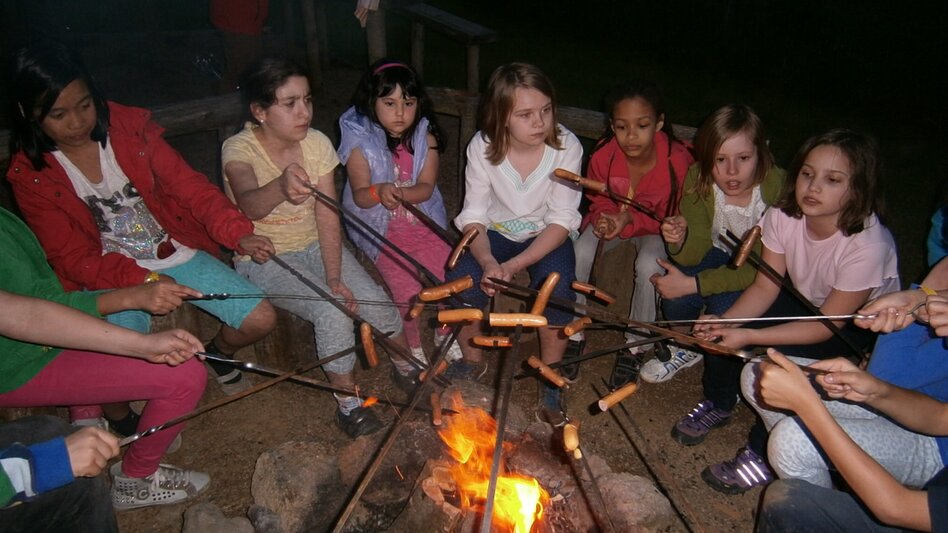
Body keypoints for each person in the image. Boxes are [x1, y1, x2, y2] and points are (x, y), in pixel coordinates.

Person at [6, 41, 277, 403]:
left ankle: (218, 353)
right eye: (58, 114)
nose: (76, 122)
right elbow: (72, 258)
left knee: (260, 318)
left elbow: (188, 187)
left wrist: (236, 231)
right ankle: (127, 418)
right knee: (127, 361)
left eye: (84, 105)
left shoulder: (129, 129)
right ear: (29, 113)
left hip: (173, 253)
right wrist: (143, 281)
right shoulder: (32, 175)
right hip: (111, 278)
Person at [694, 128, 900, 494]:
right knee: (723, 323)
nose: (813, 187)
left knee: (783, 368)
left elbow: (826, 326)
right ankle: (718, 401)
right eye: (807, 174)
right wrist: (727, 324)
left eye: (832, 180)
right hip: (806, 299)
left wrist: (751, 336)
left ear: (859, 188)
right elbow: (765, 286)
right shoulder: (783, 216)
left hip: (856, 326)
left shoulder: (868, 244)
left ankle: (760, 453)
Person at [221, 56, 407, 438]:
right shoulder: (238, 150)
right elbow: (249, 204)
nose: (304, 111)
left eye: (307, 99)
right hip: (262, 256)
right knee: (332, 311)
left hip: (314, 245)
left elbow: (327, 216)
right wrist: (280, 186)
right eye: (289, 103)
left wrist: (336, 275)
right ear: (259, 111)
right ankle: (348, 406)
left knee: (375, 303)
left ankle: (408, 368)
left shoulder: (317, 143)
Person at [0, 208, 210, 513]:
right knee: (184, 375)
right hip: (16, 365)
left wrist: (141, 343)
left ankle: (88, 417)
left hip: (34, 341)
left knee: (174, 365)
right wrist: (131, 299)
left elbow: (27, 311)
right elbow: (36, 309)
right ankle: (136, 480)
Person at [444, 63, 583, 421]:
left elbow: (561, 220)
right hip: (494, 232)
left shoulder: (566, 148)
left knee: (559, 287)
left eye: (546, 110)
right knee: (463, 279)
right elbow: (473, 215)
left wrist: (513, 266)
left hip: (545, 235)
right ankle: (473, 364)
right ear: (502, 116)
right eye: (525, 114)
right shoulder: (483, 147)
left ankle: (550, 376)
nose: (540, 122)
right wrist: (490, 261)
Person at [752, 256, 948, 503]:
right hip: (907, 402)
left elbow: (899, 383)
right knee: (760, 373)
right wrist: (920, 299)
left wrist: (806, 403)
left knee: (792, 441)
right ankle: (820, 473)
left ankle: (827, 511)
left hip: (937, 448)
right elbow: (888, 381)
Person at [650, 105, 784, 442]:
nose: (732, 171)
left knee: (722, 319)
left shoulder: (778, 191)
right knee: (676, 300)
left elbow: (760, 271)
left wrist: (693, 283)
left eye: (744, 158)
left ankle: (720, 400)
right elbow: (694, 253)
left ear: (762, 153)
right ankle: (691, 347)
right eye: (720, 160)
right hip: (716, 256)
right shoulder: (699, 179)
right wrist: (679, 240)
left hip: (760, 273)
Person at [337, 58, 463, 382]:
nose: (400, 113)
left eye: (408, 103)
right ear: (371, 102)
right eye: (389, 103)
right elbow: (361, 195)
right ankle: (413, 346)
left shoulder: (426, 136)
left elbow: (426, 187)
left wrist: (403, 194)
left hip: (421, 221)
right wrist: (380, 190)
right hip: (382, 229)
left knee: (449, 277)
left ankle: (445, 329)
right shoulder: (359, 142)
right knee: (405, 291)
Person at [570, 80, 694, 389]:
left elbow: (680, 211)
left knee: (650, 264)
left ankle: (635, 344)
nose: (631, 136)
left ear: (660, 123)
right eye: (622, 127)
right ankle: (574, 330)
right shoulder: (603, 155)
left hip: (655, 229)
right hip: (614, 222)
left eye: (642, 125)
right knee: (580, 251)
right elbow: (597, 198)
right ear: (612, 126)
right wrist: (602, 219)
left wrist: (634, 221)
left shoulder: (677, 161)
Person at [755, 346, 948, 532]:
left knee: (789, 504)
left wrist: (807, 406)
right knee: (757, 373)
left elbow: (897, 509)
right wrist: (875, 392)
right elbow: (941, 417)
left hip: (909, 504)